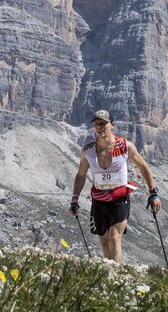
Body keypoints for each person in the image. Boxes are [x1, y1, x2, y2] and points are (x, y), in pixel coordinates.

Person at [68, 109, 160, 263]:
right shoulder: (88, 150)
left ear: (112, 125)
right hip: (99, 199)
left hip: (119, 199)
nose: (100, 127)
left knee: (114, 237)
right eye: (97, 124)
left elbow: (143, 167)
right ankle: (109, 275)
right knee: (104, 240)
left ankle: (117, 275)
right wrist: (74, 199)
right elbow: (81, 174)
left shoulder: (125, 146)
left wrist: (153, 193)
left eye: (104, 123)